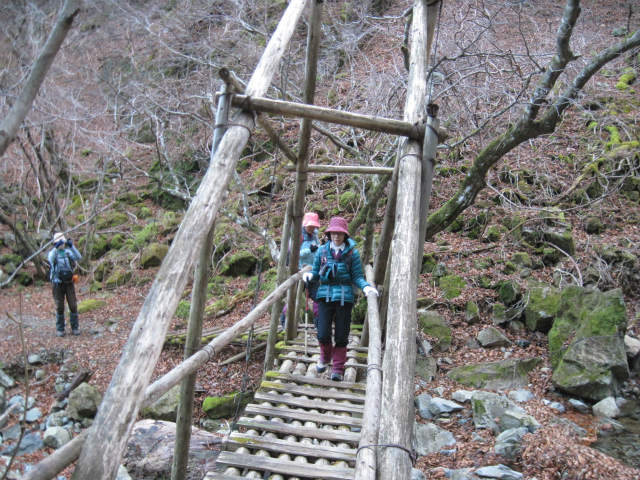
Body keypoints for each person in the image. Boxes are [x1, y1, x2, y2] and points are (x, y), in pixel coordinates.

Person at [302, 216, 377, 381]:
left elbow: (357, 276)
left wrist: (365, 286)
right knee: (322, 333)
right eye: (333, 233)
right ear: (329, 234)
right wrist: (309, 275)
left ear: (345, 235)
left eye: (339, 234)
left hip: (345, 296)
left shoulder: (352, 253)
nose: (336, 236)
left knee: (342, 335)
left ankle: (337, 368)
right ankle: (325, 357)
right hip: (325, 295)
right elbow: (315, 272)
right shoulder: (322, 251)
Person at [280, 212, 322, 329]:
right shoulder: (297, 236)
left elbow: (316, 251)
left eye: (314, 226)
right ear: (304, 225)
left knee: (318, 298)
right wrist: (310, 249)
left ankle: (319, 325)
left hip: (313, 271)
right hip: (299, 271)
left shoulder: (315, 235)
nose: (312, 228)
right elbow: (295, 255)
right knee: (292, 297)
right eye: (310, 226)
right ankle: (284, 323)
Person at [47, 232, 82, 337]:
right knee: (59, 306)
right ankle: (60, 329)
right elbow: (50, 259)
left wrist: (72, 246)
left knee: (73, 305)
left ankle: (75, 327)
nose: (61, 244)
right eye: (59, 242)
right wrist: (56, 248)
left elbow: (78, 257)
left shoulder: (67, 252)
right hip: (57, 284)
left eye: (62, 242)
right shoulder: (53, 253)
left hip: (69, 283)